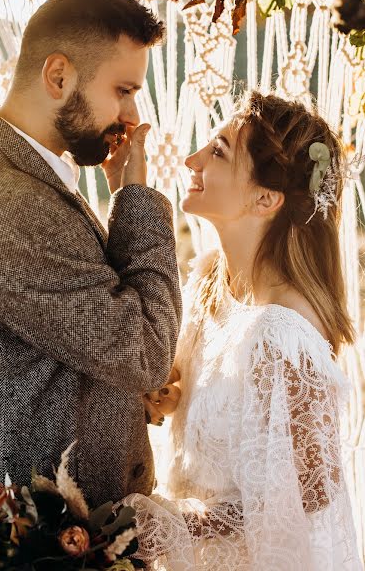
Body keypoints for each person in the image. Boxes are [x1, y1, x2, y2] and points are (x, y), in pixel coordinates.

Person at [125, 90, 363, 570]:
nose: (191, 159)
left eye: (218, 151)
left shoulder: (283, 335)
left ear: (265, 198)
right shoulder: (211, 279)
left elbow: (310, 495)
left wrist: (168, 525)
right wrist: (171, 395)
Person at [0, 0, 181, 509]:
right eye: (123, 90)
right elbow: (144, 352)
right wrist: (134, 198)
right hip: (47, 538)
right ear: (58, 75)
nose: (133, 118)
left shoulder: (17, 172)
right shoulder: (9, 202)